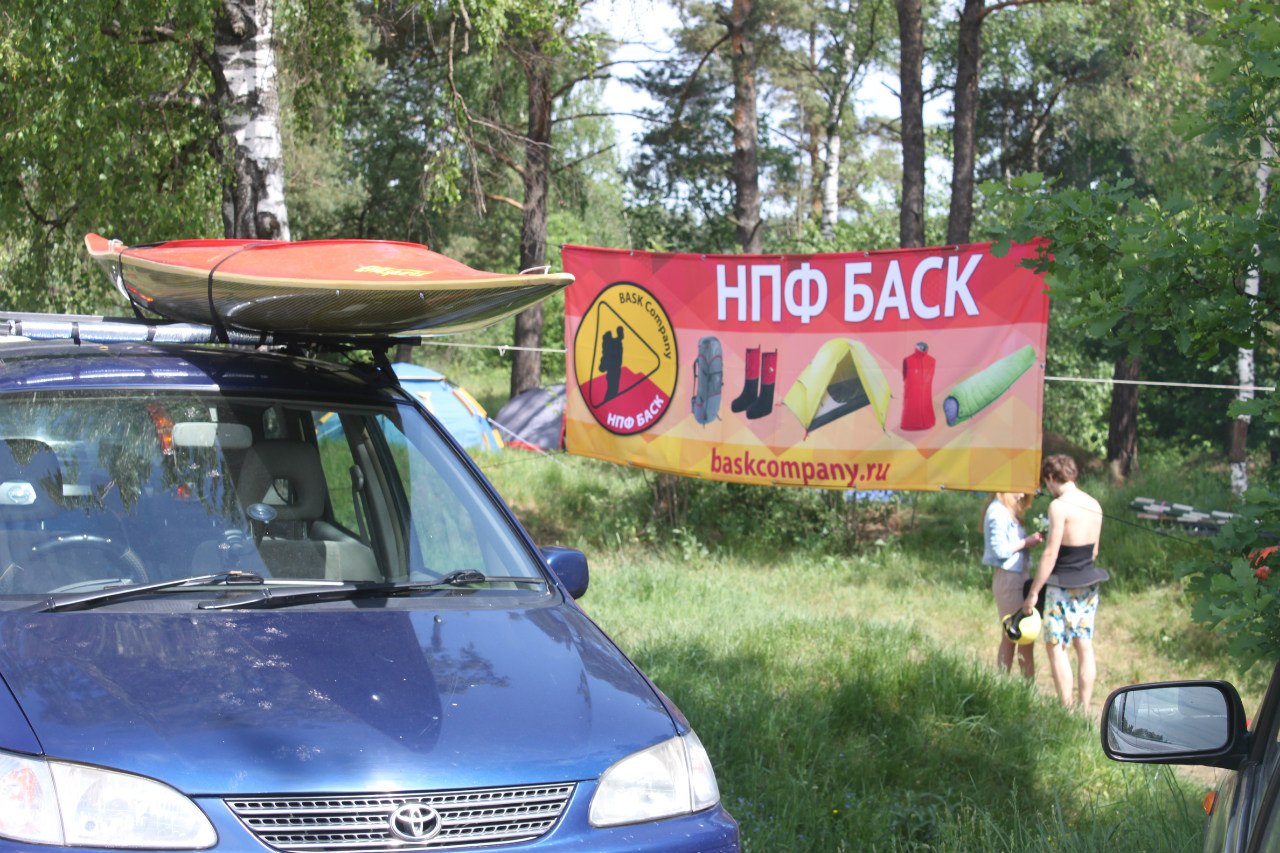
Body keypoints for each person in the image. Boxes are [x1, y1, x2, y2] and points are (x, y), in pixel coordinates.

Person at [1022, 454, 1109, 712]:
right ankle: (1085, 707)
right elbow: (1094, 551)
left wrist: (1034, 592)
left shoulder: (1058, 507)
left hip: (1062, 585)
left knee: (1055, 644)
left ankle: (1066, 708)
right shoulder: (1094, 504)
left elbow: (1051, 553)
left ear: (1050, 477)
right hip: (1089, 582)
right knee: (1084, 645)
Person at [984, 492, 1043, 678]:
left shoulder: (1004, 510)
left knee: (1012, 635)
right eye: (1019, 489)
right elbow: (999, 550)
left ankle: (1006, 684)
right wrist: (1026, 542)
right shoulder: (997, 512)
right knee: (1022, 635)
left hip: (1016, 577)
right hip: (1009, 579)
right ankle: (1025, 687)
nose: (1023, 494)